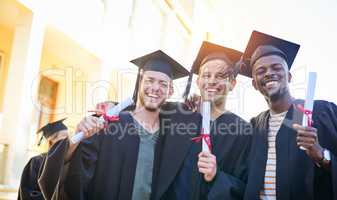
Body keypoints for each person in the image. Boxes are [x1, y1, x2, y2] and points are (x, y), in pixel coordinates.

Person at [37, 50, 196, 200]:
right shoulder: (108, 124)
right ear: (139, 83)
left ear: (170, 91)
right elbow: (70, 167)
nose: (155, 87)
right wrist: (77, 137)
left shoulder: (170, 136)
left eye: (163, 83)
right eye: (150, 80)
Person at [240, 30, 337, 200]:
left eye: (276, 67)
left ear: (289, 76)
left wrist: (322, 155)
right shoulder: (256, 125)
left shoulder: (321, 112)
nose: (269, 73)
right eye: (261, 71)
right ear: (254, 84)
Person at [157, 41, 252, 200]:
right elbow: (141, 113)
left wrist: (216, 176)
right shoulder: (176, 115)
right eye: (206, 75)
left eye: (220, 76)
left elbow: (245, 187)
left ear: (232, 83)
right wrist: (109, 107)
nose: (212, 81)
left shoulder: (242, 131)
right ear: (198, 81)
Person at [18, 118, 68, 200]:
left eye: (68, 136)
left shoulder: (68, 160)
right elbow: (28, 194)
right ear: (51, 142)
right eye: (64, 137)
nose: (68, 140)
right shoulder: (36, 162)